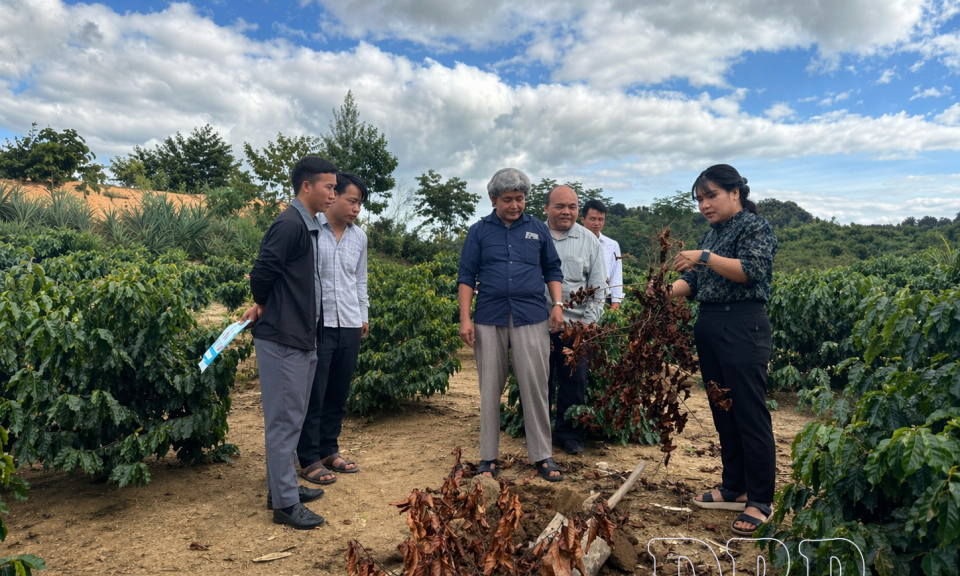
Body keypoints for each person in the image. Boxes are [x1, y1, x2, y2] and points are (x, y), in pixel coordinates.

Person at [662, 164, 778, 536]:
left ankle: (760, 499)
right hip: (710, 324)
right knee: (722, 406)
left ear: (735, 193)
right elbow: (694, 281)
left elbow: (751, 270)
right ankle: (734, 486)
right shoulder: (712, 234)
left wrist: (704, 257)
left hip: (743, 323)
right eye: (700, 199)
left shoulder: (754, 227)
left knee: (748, 410)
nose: (704, 204)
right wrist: (663, 295)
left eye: (710, 195)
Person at [241, 155, 338, 530]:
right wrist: (264, 304)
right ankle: (284, 505)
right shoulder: (288, 224)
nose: (333, 193)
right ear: (307, 187)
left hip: (300, 336)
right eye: (329, 187)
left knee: (292, 418)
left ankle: (280, 488)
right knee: (283, 422)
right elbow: (263, 272)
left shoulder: (306, 223)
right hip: (283, 338)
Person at [457, 168, 566, 482]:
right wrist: (465, 318)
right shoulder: (479, 231)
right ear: (493, 199)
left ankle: (542, 455)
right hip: (489, 316)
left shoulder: (537, 229)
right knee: (490, 386)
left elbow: (552, 269)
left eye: (520, 198)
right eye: (508, 199)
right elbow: (466, 276)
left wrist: (556, 305)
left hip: (531, 316)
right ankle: (488, 458)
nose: (515, 205)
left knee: (534, 384)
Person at [296, 172, 370, 485]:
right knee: (315, 392)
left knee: (338, 393)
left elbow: (360, 278)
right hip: (319, 324)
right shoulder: (312, 229)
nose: (356, 209)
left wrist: (363, 314)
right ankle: (308, 456)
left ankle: (329, 449)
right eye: (352, 201)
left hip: (350, 323)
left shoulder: (360, 237)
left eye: (360, 204)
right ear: (333, 195)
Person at [543, 186, 606, 455]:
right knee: (538, 380)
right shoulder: (533, 234)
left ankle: (568, 433)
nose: (566, 212)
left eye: (573, 206)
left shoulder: (589, 241)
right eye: (560, 206)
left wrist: (589, 324)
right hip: (537, 325)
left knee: (574, 381)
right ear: (546, 208)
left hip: (575, 327)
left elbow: (598, 286)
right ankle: (540, 432)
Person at [581, 199, 623, 310]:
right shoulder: (575, 242)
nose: (597, 223)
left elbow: (616, 273)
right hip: (580, 297)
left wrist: (616, 301)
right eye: (592, 219)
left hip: (605, 299)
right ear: (583, 220)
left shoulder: (612, 245)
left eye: (601, 219)